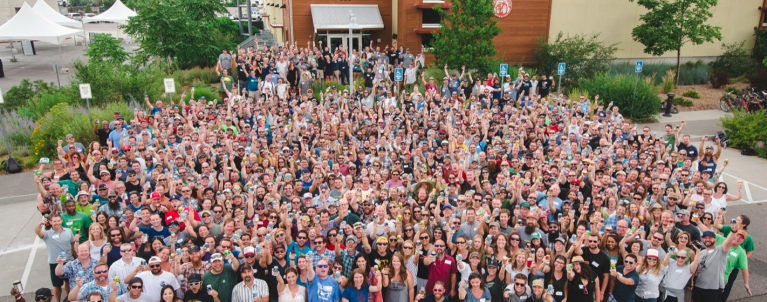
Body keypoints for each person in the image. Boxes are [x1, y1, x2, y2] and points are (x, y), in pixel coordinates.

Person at [36, 214, 75, 302]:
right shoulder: (47, 234)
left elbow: (73, 244)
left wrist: (75, 255)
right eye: (54, 221)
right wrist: (40, 224)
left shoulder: (68, 231)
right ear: (50, 222)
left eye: (58, 221)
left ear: (61, 221)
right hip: (54, 262)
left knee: (68, 281)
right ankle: (57, 300)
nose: (57, 223)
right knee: (57, 285)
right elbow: (38, 231)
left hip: (68, 260)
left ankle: (69, 298)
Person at [692, 230, 736, 302]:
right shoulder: (701, 252)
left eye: (710, 238)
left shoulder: (720, 250)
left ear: (715, 239)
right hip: (698, 286)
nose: (707, 240)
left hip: (713, 288)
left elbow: (728, 242)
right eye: (705, 238)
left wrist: (733, 231)